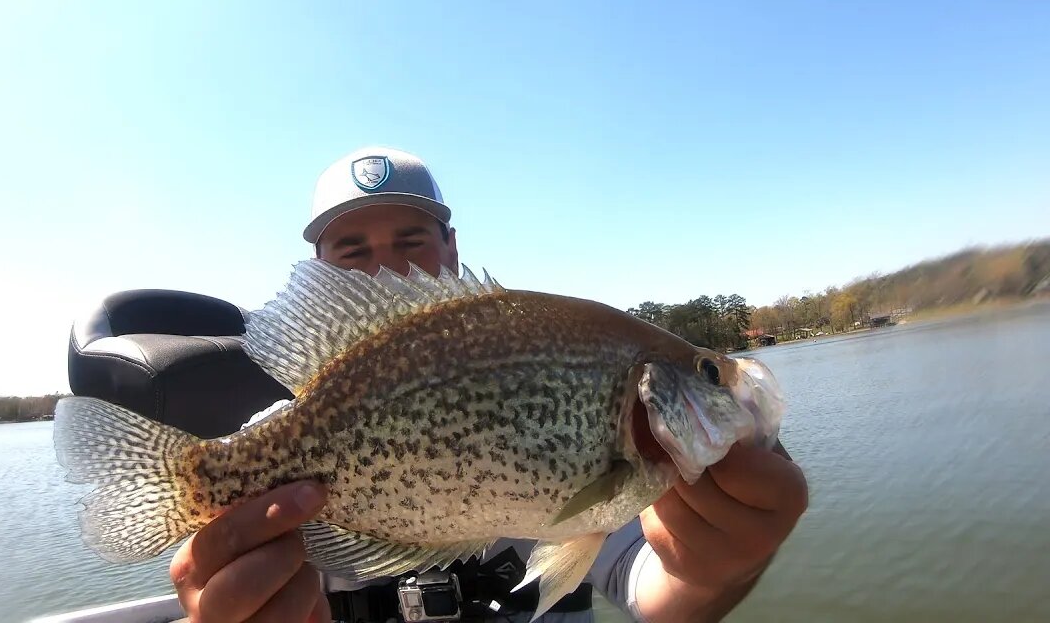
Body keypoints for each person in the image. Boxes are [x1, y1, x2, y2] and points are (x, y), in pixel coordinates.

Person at [167, 147, 809, 622]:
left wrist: (720, 567)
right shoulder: (268, 450)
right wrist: (225, 601)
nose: (387, 265)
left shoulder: (559, 365)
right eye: (354, 251)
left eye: (411, 240)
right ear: (320, 271)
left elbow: (656, 585)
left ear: (451, 247)